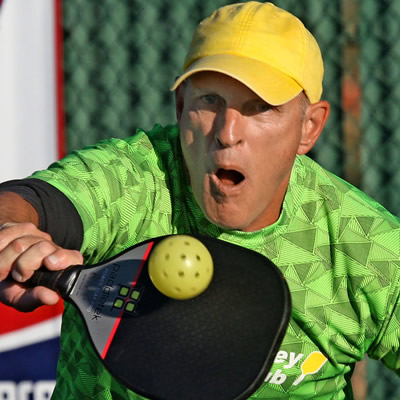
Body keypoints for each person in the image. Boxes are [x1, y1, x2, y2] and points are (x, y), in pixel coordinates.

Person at [0, 1, 399, 398]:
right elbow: (34, 200)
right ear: (180, 107)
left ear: (308, 127)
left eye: (260, 108)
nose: (227, 132)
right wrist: (11, 231)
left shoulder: (361, 244)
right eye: (210, 101)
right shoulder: (134, 181)